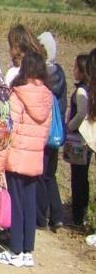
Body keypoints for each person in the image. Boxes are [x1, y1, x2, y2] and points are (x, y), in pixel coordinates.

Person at [0, 50, 52, 268]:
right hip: (35, 158)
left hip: (16, 157)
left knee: (15, 204)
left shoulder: (17, 95)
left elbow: (6, 131)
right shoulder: (47, 96)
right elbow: (44, 133)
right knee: (29, 203)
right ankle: (28, 250)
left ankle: (15, 249)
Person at [37, 31, 67, 231]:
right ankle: (57, 216)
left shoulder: (40, 75)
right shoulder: (61, 74)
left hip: (41, 132)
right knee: (50, 175)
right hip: (56, 133)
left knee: (38, 175)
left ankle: (40, 217)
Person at [66, 54, 91, 227]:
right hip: (85, 140)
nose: (73, 70)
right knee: (82, 177)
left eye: (75, 68)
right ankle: (81, 211)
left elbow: (81, 113)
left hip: (79, 141)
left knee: (78, 178)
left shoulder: (81, 91)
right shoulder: (88, 88)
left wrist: (70, 126)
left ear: (82, 72)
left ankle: (77, 216)